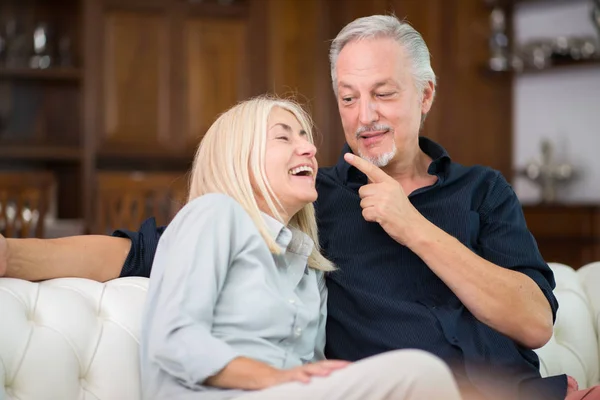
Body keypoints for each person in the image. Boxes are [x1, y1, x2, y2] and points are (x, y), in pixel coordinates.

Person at [1, 14, 599, 400]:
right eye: (347, 97)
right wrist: (9, 255)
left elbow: (533, 322)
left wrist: (411, 226)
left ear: (426, 94)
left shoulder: (484, 191)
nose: (363, 116)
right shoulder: (310, 205)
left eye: (384, 94)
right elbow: (140, 252)